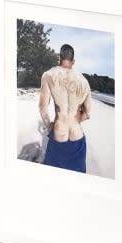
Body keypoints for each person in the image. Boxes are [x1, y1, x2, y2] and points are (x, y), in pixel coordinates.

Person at [38, 43, 91, 173]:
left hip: (59, 133)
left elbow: (42, 107)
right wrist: (76, 118)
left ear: (59, 57)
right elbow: (88, 113)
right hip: (77, 135)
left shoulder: (49, 75)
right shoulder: (83, 81)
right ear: (73, 61)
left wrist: (49, 125)